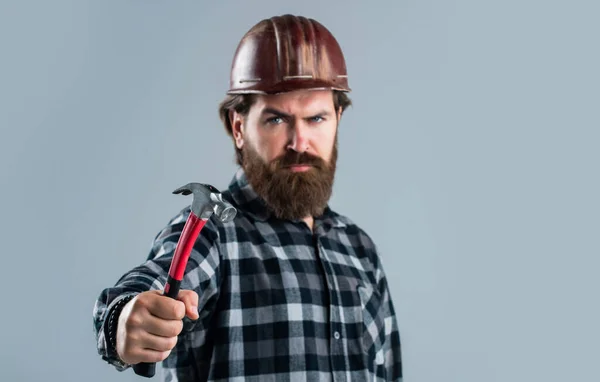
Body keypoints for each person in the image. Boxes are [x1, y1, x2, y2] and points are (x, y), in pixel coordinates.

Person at [93, 14, 403, 381]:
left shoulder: (359, 250)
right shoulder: (213, 234)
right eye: (276, 120)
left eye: (316, 119)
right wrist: (125, 318)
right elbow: (151, 284)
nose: (299, 143)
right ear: (239, 127)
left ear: (337, 117)